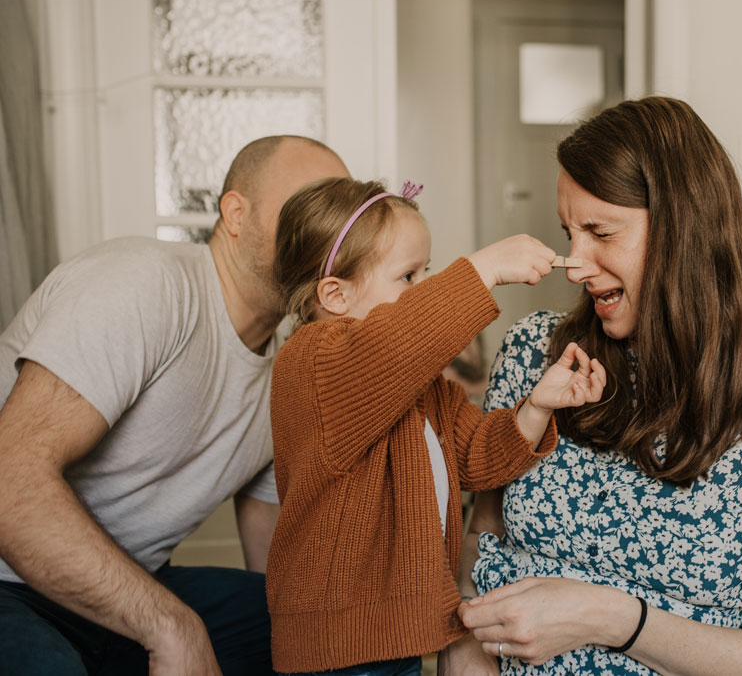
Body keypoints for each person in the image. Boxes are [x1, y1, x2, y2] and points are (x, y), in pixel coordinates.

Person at [443, 97, 742, 675]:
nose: (575, 264)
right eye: (569, 232)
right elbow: (480, 540)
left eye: (600, 232)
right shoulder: (535, 355)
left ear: (685, 231)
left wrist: (610, 617)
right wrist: (463, 659)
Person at [0, 135, 350, 675]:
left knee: (326, 629)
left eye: (339, 215)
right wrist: (169, 624)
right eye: (308, 207)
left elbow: (270, 553)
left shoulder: (290, 372)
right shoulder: (143, 283)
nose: (330, 235)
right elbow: (9, 480)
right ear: (236, 214)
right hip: (9, 583)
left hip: (122, 585)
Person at [266, 177, 608, 675]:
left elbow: (478, 457)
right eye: (408, 277)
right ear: (335, 295)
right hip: (335, 645)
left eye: (427, 272)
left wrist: (537, 407)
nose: (422, 288)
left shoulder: (422, 388)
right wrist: (484, 269)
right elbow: (394, 342)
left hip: (394, 638)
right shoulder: (313, 361)